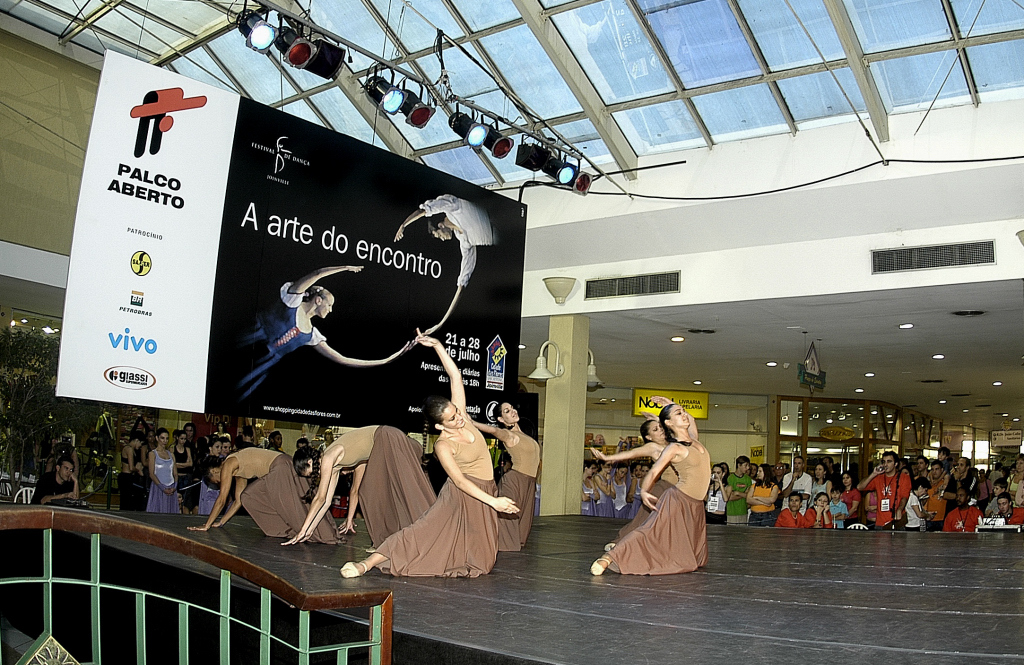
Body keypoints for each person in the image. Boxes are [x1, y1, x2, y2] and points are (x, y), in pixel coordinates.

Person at [339, 332, 518, 578]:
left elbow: (456, 376)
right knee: (423, 531)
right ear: (439, 426)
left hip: (485, 491)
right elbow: (459, 481)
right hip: (462, 494)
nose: (459, 418)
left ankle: (439, 557)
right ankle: (366, 564)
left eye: (457, 411)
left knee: (483, 561)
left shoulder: (463, 418)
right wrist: (494, 502)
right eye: (453, 418)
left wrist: (438, 346)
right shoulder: (443, 446)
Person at [235, 266, 413, 401]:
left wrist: (387, 360)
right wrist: (345, 268)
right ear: (318, 300)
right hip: (248, 342)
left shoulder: (311, 335)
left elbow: (343, 359)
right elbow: (317, 274)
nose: (331, 309)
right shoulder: (292, 299)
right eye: (329, 305)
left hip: (259, 368)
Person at [590, 401, 710, 576]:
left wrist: (670, 404)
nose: (684, 414)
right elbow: (653, 471)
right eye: (679, 413)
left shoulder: (694, 440)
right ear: (669, 423)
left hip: (696, 502)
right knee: (650, 530)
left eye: (683, 412)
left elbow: (690, 421)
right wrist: (644, 490)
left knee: (683, 544)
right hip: (678, 498)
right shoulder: (673, 448)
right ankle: (609, 558)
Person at [282, 425, 435, 549]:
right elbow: (326, 502)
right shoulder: (335, 466)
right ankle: (388, 542)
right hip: (384, 442)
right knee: (383, 493)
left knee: (372, 493)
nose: (311, 476)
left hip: (386, 437)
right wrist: (309, 531)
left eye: (308, 474)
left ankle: (405, 538)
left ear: (309, 462)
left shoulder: (328, 457)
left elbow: (319, 498)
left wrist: (301, 531)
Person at [393, 194, 494, 334]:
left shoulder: (453, 206)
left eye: (438, 235)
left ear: (440, 225)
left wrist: (403, 225)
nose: (442, 239)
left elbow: (425, 210)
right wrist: (440, 324)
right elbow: (462, 284)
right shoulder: (465, 242)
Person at [189, 447, 337, 543]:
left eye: (215, 481)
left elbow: (222, 499)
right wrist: (221, 522)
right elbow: (239, 501)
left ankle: (317, 534)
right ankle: (287, 529)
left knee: (291, 509)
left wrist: (206, 525)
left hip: (281, 467)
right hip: (282, 465)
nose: (218, 483)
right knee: (249, 496)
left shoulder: (228, 464)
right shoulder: (238, 469)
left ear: (214, 472)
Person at [592, 418, 680, 547]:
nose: (660, 430)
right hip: (666, 487)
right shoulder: (653, 447)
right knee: (644, 515)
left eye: (660, 427)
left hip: (683, 488)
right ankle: (620, 542)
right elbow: (632, 454)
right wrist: (606, 457)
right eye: (655, 429)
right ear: (648, 437)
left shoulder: (674, 441)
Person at [473, 402, 541, 552]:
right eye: (507, 411)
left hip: (529, 482)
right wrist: (472, 422)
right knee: (507, 519)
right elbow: (494, 430)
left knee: (523, 526)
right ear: (502, 419)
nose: (513, 412)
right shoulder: (509, 435)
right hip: (515, 481)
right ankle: (499, 548)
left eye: (512, 409)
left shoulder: (523, 435)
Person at [857, 451, 910, 529]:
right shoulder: (878, 478)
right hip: (880, 522)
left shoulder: (903, 477)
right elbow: (860, 487)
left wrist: (899, 509)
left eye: (889, 461)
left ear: (895, 464)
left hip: (896, 521)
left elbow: (904, 497)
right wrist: (873, 474)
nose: (885, 464)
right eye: (883, 462)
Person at [146, 428, 179, 513]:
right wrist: (162, 487)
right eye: (162, 438)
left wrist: (174, 487)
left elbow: (175, 473)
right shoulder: (152, 454)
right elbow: (151, 474)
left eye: (167, 438)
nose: (165, 440)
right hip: (158, 488)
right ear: (157, 438)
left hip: (171, 487)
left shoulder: (171, 454)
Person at [119, 430, 145, 511]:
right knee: (126, 502)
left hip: (129, 477)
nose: (140, 446)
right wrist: (138, 469)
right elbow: (131, 467)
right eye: (140, 443)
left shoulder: (131, 449)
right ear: (136, 440)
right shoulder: (129, 449)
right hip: (126, 477)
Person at [172, 429, 196, 514]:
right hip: (176, 476)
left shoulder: (187, 449)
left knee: (185, 500)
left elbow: (190, 464)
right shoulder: (172, 449)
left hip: (186, 477)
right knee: (176, 498)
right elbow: (172, 464)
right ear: (177, 438)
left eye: (184, 439)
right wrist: (184, 464)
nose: (183, 441)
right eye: (181, 438)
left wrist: (178, 464)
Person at [725, 456, 753, 525]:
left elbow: (749, 495)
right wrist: (743, 494)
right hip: (732, 512)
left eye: (748, 466)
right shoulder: (730, 478)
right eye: (745, 465)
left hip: (743, 511)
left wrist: (737, 493)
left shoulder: (748, 479)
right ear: (739, 465)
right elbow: (730, 497)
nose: (747, 468)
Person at [924, 460, 949, 531]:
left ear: (942, 470)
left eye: (937, 469)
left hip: (942, 518)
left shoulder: (946, 483)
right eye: (932, 469)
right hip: (929, 518)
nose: (934, 472)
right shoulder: (927, 484)